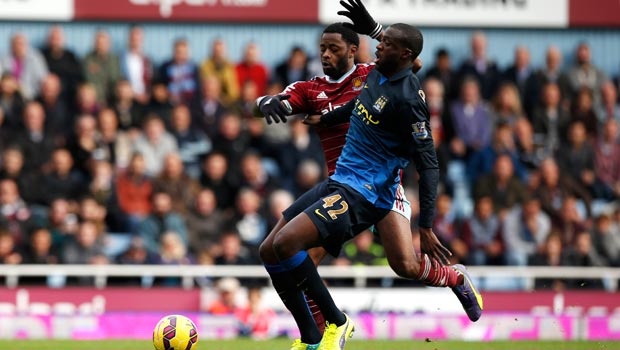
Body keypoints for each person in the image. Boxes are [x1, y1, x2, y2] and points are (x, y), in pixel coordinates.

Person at [256, 4, 482, 349]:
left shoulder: (373, 72)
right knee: (293, 254)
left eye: (333, 49)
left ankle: (454, 276)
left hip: (378, 187)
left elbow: (411, 65)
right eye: (322, 49)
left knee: (405, 264)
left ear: (352, 50)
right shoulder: (312, 88)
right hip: (339, 184)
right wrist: (266, 101)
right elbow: (282, 101)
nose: (326, 55)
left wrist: (376, 29)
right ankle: (317, 337)